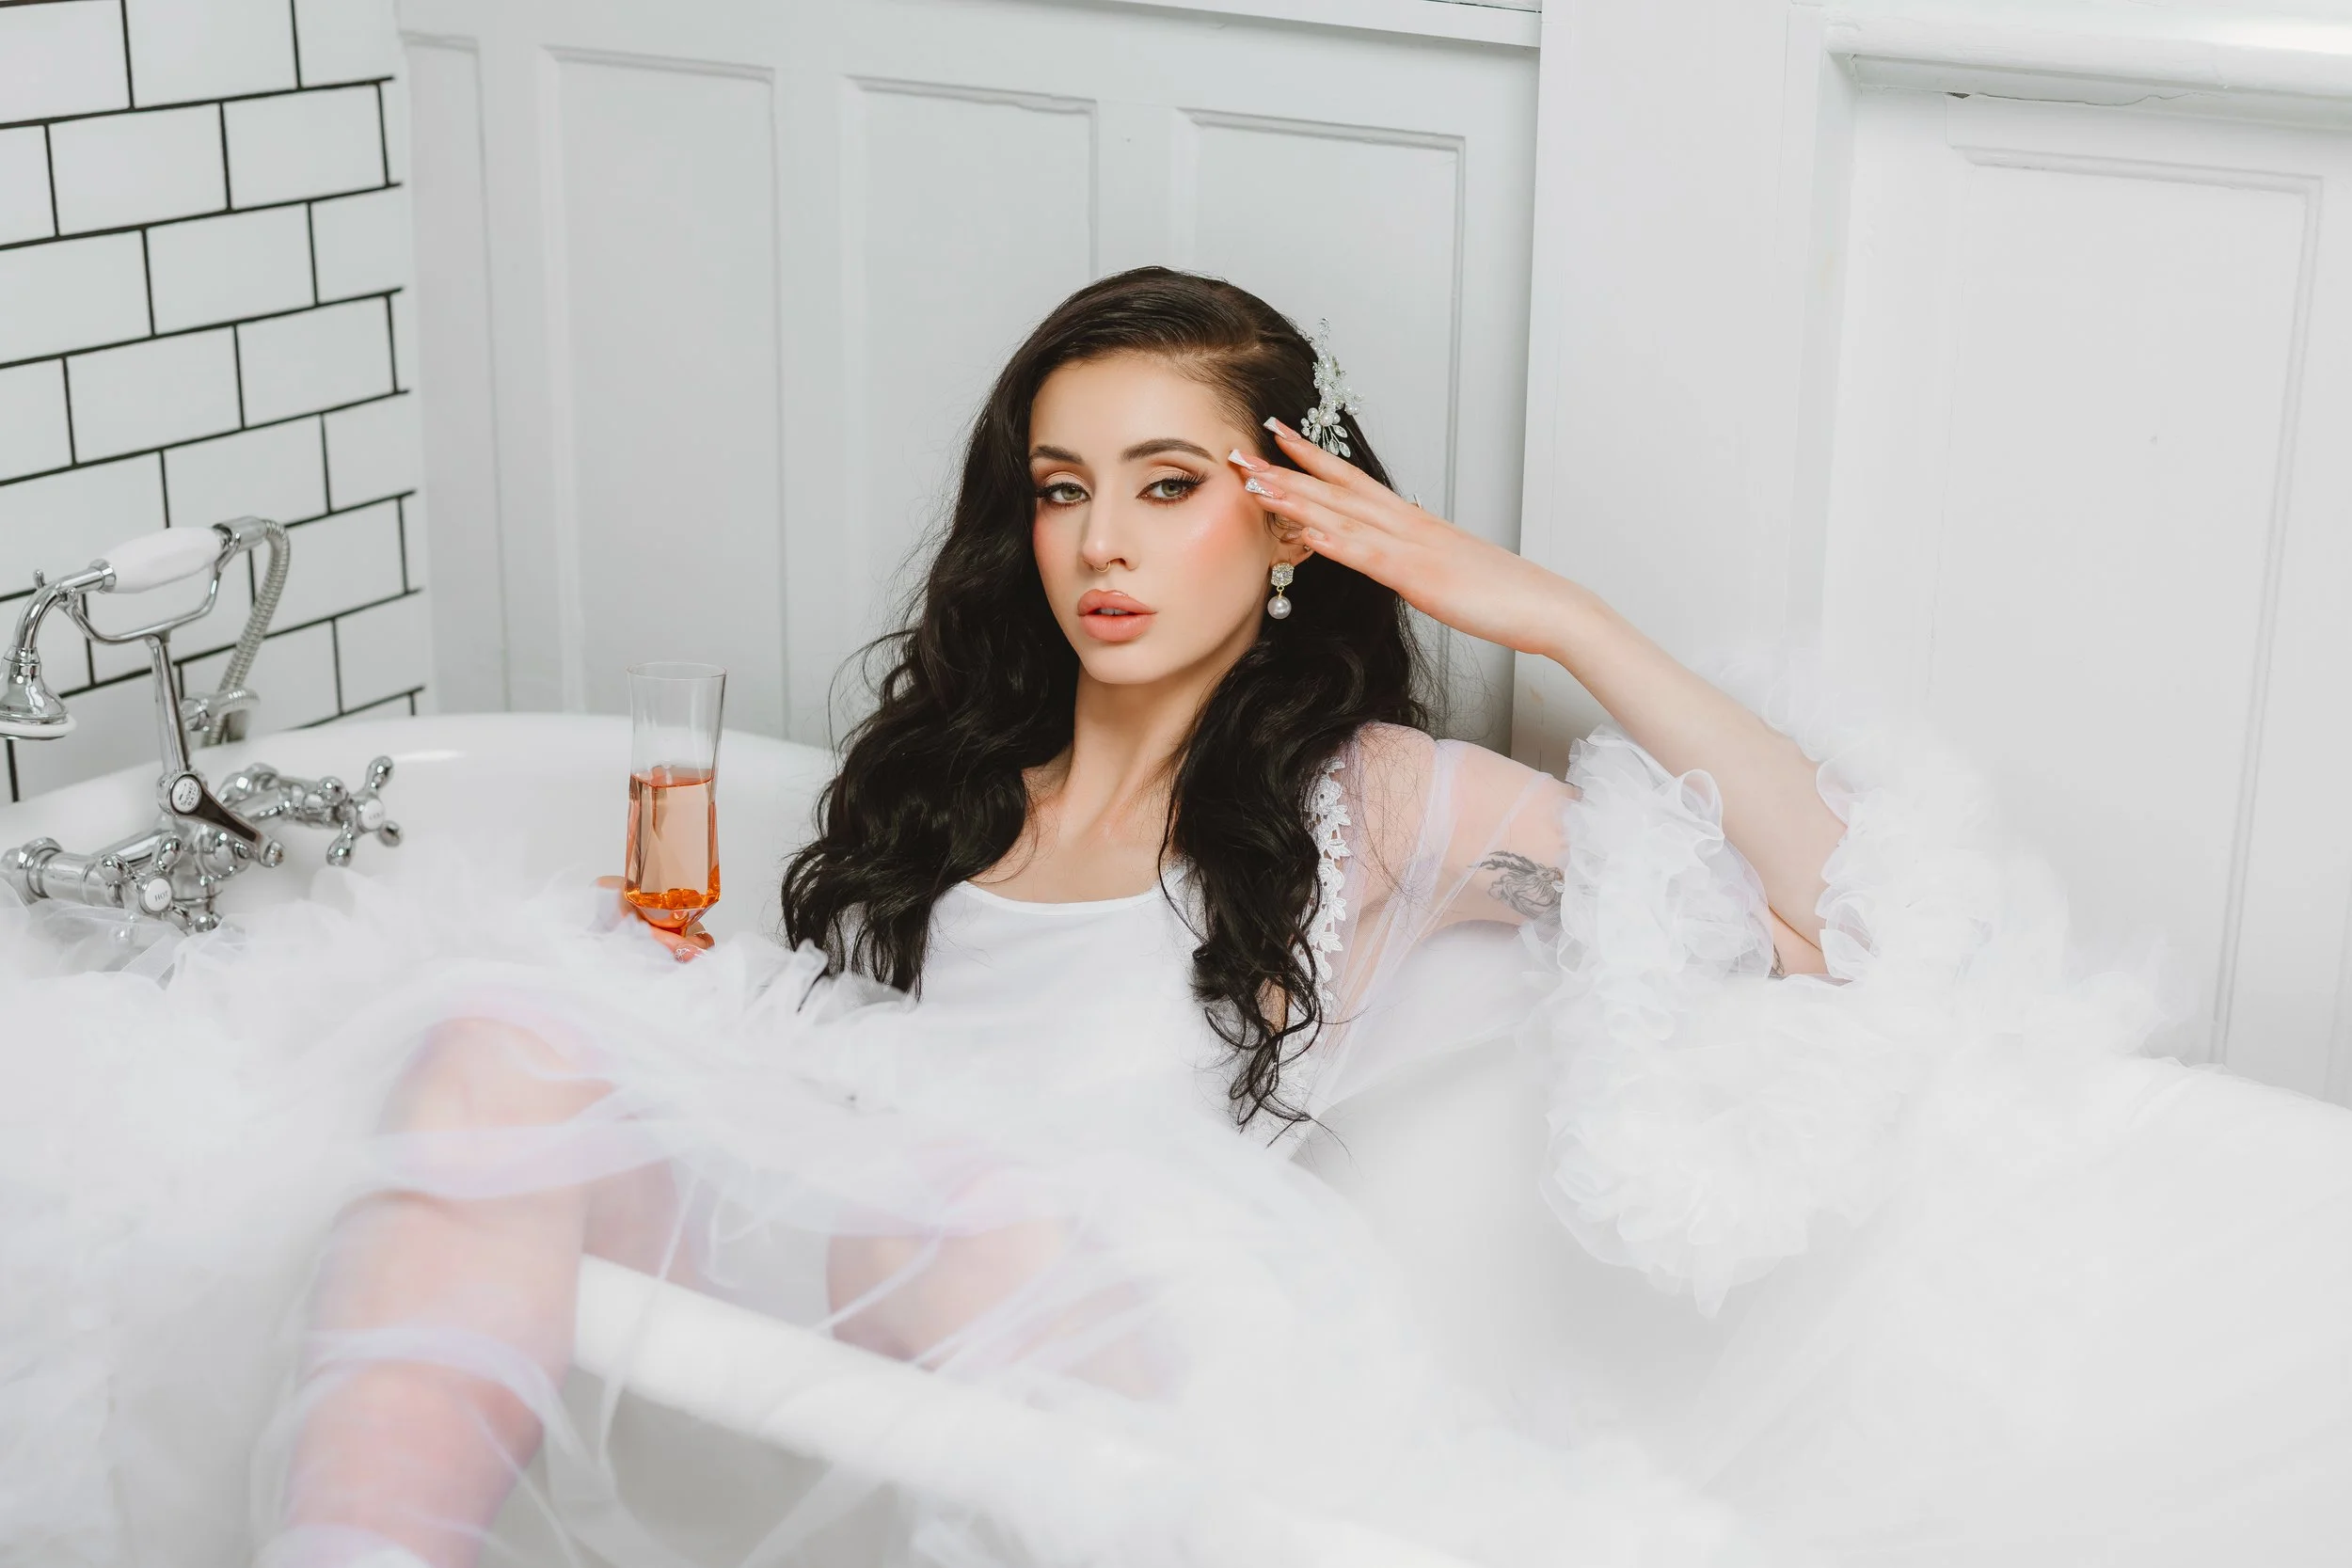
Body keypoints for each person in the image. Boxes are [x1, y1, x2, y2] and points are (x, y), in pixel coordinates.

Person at [6, 269, 2349, 1568]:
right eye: (1057, 489)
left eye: (1167, 487)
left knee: (978, 1209)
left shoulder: (1387, 803)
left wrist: (1544, 610)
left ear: (1288, 522)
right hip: (852, 1254)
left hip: (1095, 1319)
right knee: (484, 1040)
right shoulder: (941, 781)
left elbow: (1833, 912)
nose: (1100, 544)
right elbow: (783, 1068)